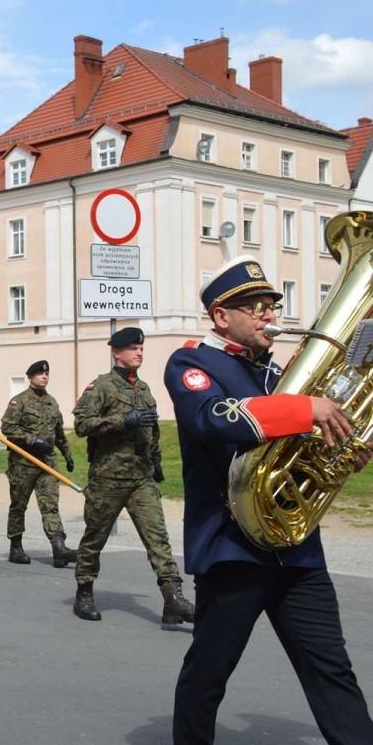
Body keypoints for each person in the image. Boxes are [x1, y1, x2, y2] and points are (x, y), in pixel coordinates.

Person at [165, 256, 373, 744]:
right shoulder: (192, 361)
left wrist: (340, 447)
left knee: (331, 668)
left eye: (270, 306)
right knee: (210, 672)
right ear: (222, 316)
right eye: (255, 307)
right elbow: (213, 419)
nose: (268, 315)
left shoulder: (275, 373)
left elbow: (297, 444)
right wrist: (304, 408)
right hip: (232, 547)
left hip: (296, 548)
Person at [70, 327, 194, 625]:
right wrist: (122, 420)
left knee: (157, 536)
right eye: (133, 348)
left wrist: (157, 461)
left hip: (141, 477)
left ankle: (172, 597)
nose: (139, 352)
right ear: (116, 352)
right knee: (95, 537)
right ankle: (84, 591)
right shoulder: (100, 386)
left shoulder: (144, 388)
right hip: (108, 478)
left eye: (141, 347)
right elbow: (82, 424)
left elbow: (151, 430)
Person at [0, 359, 77, 568]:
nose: (44, 377)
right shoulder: (19, 401)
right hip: (23, 463)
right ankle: (16, 548)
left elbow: (59, 432)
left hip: (48, 463)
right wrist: (33, 440)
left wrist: (67, 454)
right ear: (31, 377)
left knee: (50, 505)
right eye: (40, 374)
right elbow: (7, 428)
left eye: (47, 374)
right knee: (18, 506)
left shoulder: (52, 402)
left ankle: (58, 548)